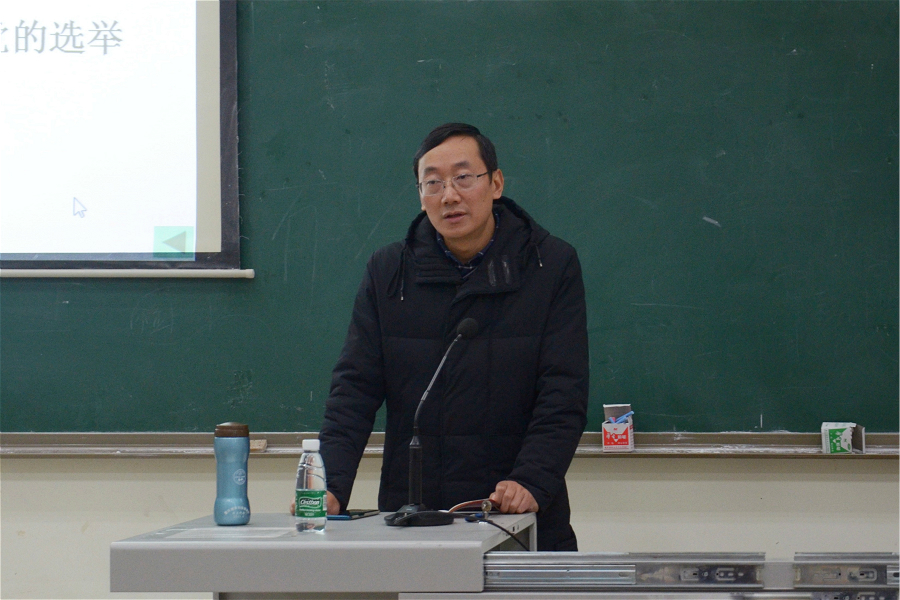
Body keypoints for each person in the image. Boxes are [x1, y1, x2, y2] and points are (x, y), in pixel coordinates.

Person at [318, 123, 589, 551]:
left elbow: (563, 391)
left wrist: (531, 480)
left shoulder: (549, 265)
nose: (449, 196)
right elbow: (353, 390)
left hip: (516, 514)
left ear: (496, 183)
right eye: (433, 183)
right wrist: (329, 485)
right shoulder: (389, 272)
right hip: (414, 518)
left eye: (463, 177)